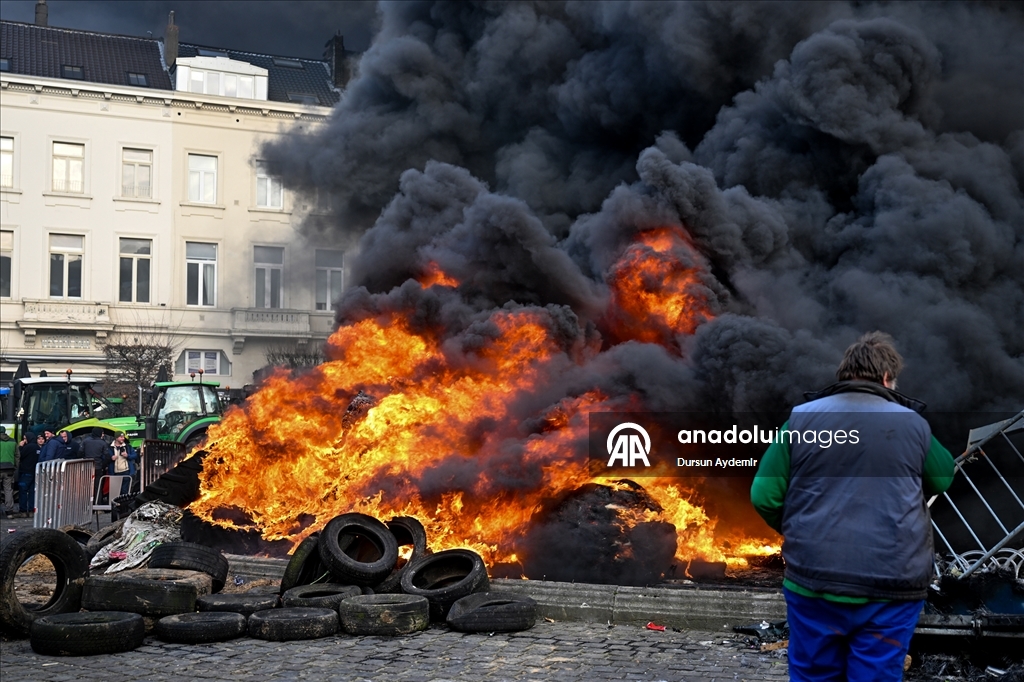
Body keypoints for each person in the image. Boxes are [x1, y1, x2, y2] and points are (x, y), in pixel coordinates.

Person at [751, 331, 955, 681]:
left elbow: (764, 496)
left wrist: (802, 532)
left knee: (813, 675)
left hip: (814, 582)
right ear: (888, 378)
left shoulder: (799, 420)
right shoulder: (913, 425)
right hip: (891, 587)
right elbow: (942, 478)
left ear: (844, 375)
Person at [80, 427, 110, 500]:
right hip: (98, 467)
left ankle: (86, 503)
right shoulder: (103, 443)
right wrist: (103, 465)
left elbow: (80, 453)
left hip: (87, 466)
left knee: (86, 486)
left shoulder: (85, 441)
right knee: (97, 486)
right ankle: (97, 504)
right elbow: (107, 456)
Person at [17, 433, 42, 518]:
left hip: (26, 472)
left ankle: (23, 511)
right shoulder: (37, 447)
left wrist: (20, 447)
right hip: (35, 472)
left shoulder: (27, 447)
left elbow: (20, 455)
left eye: (25, 438)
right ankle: (31, 510)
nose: (24, 440)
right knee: (32, 492)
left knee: (23, 491)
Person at [108, 432, 137, 497]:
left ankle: (123, 505)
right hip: (114, 472)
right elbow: (105, 457)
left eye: (123, 437)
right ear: (116, 438)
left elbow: (135, 455)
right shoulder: (109, 447)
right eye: (121, 437)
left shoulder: (128, 446)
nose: (123, 438)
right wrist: (111, 458)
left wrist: (127, 455)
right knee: (115, 492)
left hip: (126, 471)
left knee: (124, 491)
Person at [0, 426, 16, 516]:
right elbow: (17, 456)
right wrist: (15, 467)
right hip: (9, 469)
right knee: (8, 489)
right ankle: (9, 511)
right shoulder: (12, 441)